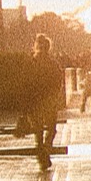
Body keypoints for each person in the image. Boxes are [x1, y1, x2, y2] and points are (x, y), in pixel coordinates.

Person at [23, 34, 63, 172]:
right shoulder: (53, 64)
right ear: (48, 47)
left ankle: (42, 155)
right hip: (49, 101)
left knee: (38, 131)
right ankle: (45, 150)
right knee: (51, 129)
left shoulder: (30, 63)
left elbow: (24, 83)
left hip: (34, 102)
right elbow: (58, 82)